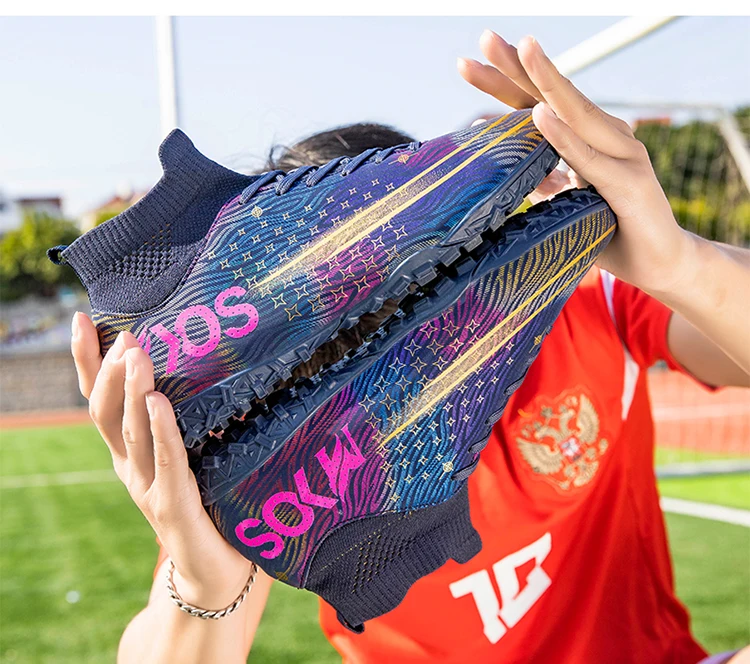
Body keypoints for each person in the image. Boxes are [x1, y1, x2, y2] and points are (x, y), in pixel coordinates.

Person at [70, 32, 750, 664]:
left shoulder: (586, 303)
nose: (363, 338)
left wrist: (681, 264)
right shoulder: (274, 453)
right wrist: (205, 586)